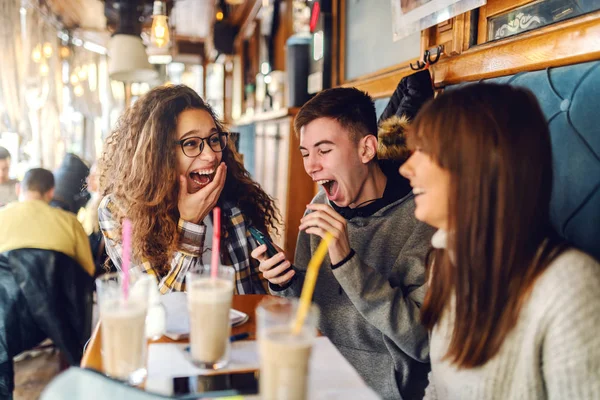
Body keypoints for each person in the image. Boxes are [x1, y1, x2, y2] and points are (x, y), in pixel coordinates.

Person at [399, 84, 600, 399]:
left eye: (423, 151)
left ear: (477, 163)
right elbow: (438, 386)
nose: (405, 168)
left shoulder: (570, 287)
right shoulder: (444, 262)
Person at [252, 87, 435, 399]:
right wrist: (285, 282)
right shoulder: (321, 203)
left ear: (366, 149)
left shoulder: (425, 218)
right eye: (306, 153)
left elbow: (423, 343)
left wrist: (347, 261)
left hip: (375, 389)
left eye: (324, 151)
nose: (311, 167)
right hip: (310, 368)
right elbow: (306, 307)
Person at [98, 85, 279, 294]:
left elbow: (260, 291)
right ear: (157, 155)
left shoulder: (234, 194)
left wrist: (278, 282)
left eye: (213, 139)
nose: (211, 155)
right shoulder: (118, 210)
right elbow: (159, 309)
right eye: (191, 143)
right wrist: (190, 228)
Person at [0, 168, 94, 276]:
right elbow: (88, 270)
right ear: (51, 192)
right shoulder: (70, 222)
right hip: (58, 292)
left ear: (18, 189)